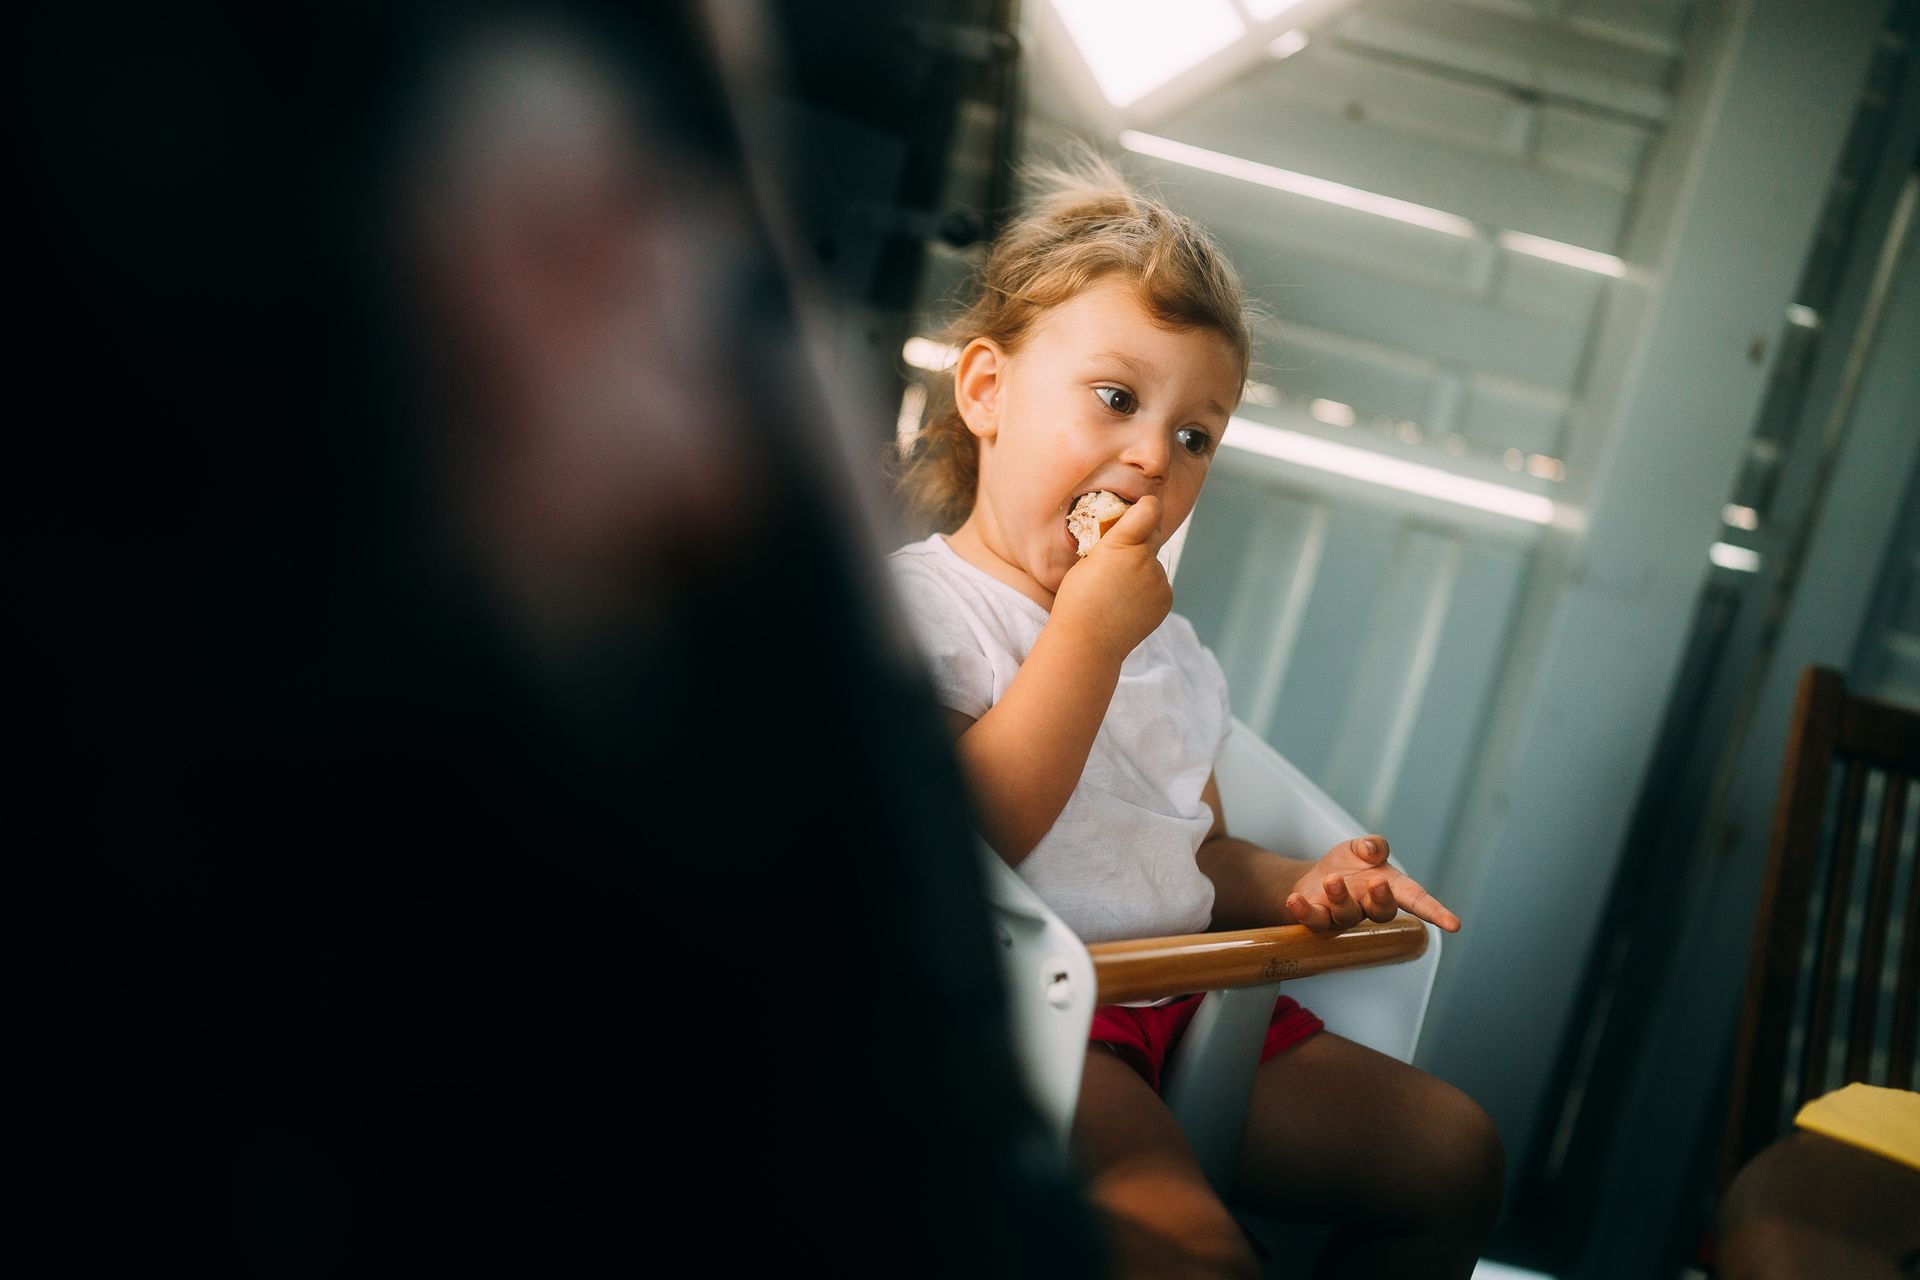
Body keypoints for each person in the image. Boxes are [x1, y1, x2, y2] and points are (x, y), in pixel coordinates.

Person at [887, 160, 1505, 1279]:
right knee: (1191, 1249)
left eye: (1195, 436)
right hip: (1038, 1016)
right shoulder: (923, 609)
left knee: (1454, 1156)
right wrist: (1086, 637)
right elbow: (962, 840)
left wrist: (1310, 881)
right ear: (986, 392)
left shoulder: (1167, 646)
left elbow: (1199, 851)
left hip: (1194, 1001)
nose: (1150, 457)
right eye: (1118, 399)